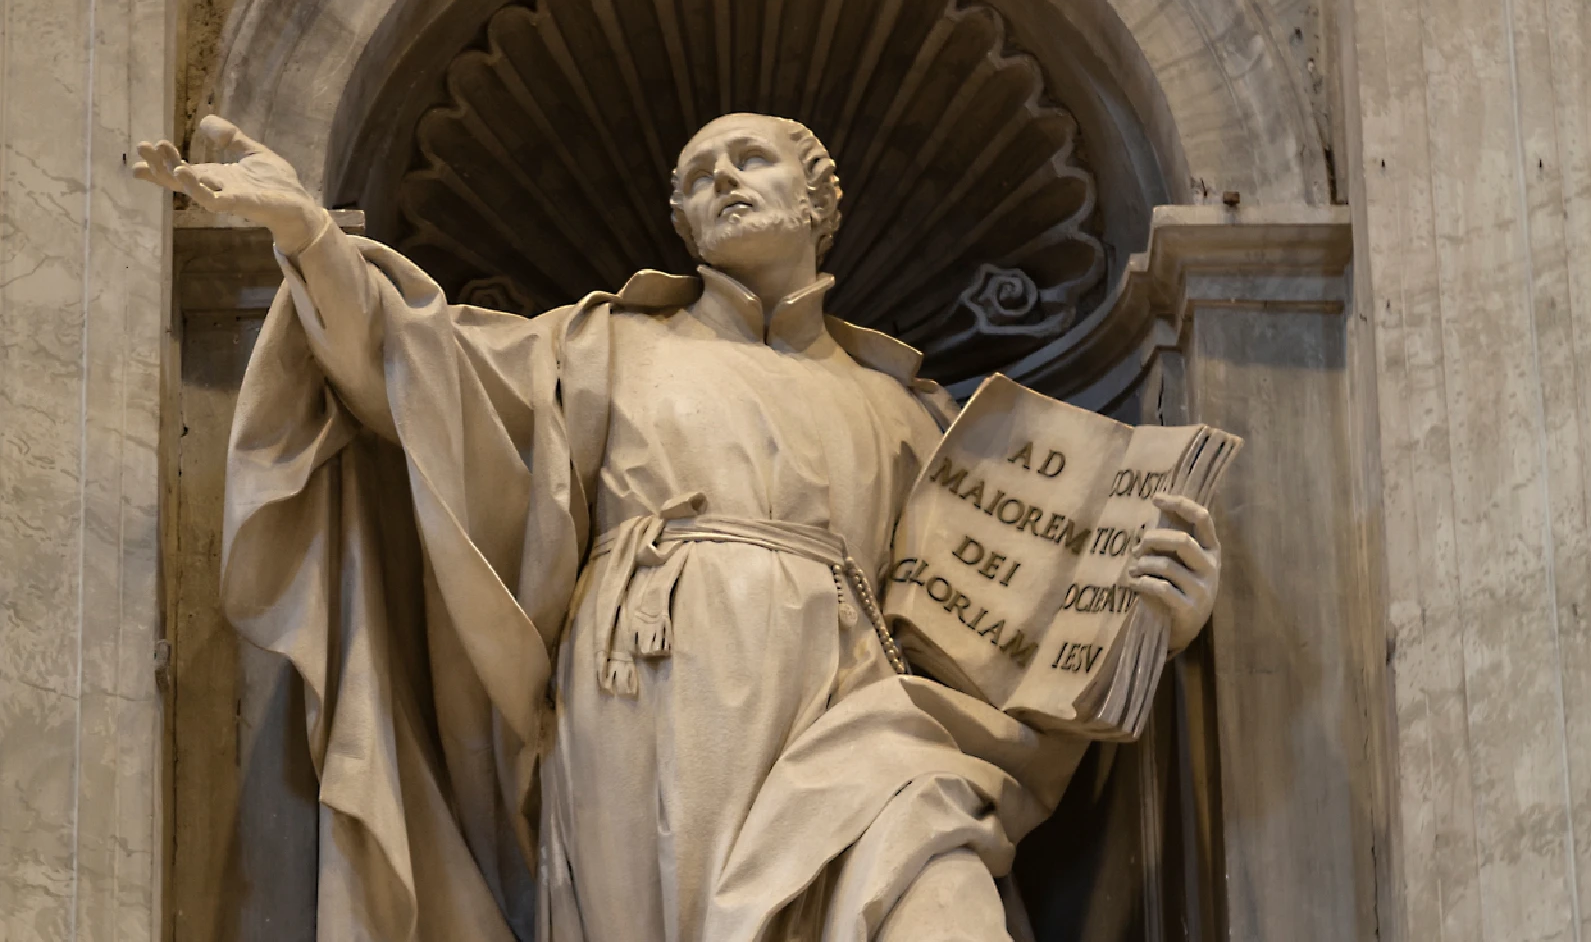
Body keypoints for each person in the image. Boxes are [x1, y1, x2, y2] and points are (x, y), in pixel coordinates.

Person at [136, 112, 1222, 942]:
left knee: (941, 893)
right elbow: (410, 375)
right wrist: (310, 239)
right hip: (649, 692)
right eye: (696, 178)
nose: (717, 182)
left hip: (867, 717)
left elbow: (1003, 640)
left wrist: (1140, 628)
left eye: (746, 161)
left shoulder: (918, 413)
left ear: (818, 197)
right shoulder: (598, 347)